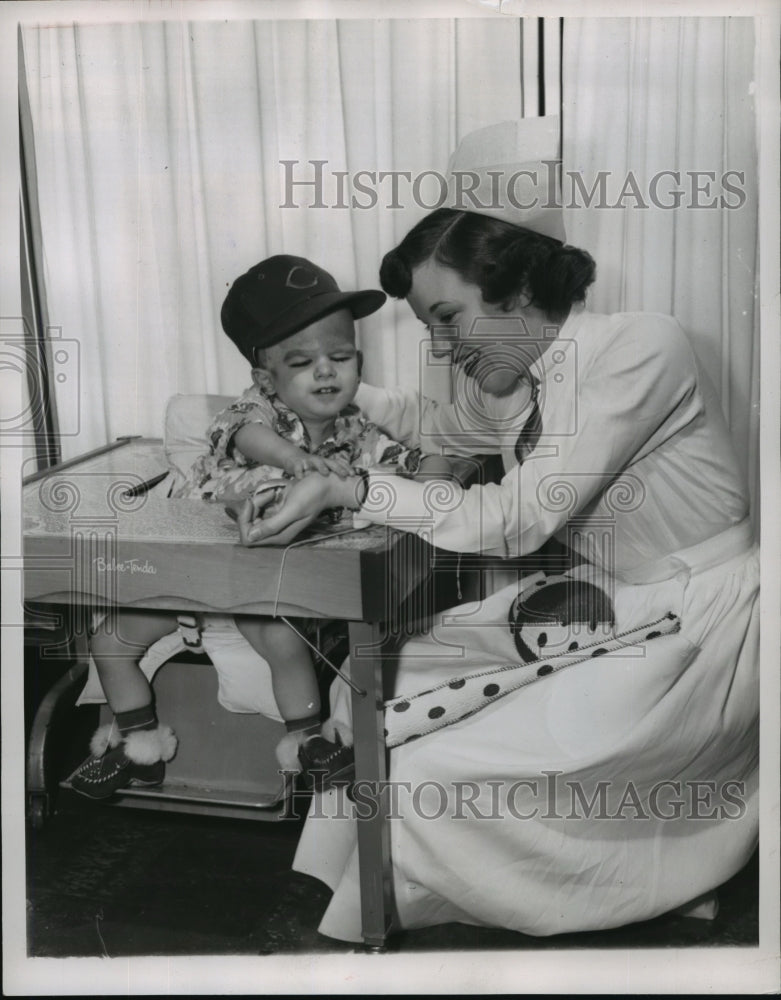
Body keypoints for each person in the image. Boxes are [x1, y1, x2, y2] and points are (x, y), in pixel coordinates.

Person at [234, 130, 759, 941]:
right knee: (378, 689)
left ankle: (619, 888)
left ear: (515, 286)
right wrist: (331, 383)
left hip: (704, 628)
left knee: (425, 766)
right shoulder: (527, 372)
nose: (441, 346)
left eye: (447, 317)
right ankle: (370, 884)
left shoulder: (637, 347)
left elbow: (516, 518)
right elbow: (444, 422)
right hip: (618, 608)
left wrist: (351, 484)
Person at [69, 254, 451, 800]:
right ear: (264, 378)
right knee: (109, 641)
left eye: (340, 357)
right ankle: (138, 744)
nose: (326, 371)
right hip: (190, 574)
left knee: (282, 644)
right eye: (303, 362)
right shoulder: (253, 414)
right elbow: (249, 437)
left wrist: (434, 473)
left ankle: (311, 744)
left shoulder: (358, 430)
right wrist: (297, 461)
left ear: (359, 364)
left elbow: (408, 461)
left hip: (257, 584)